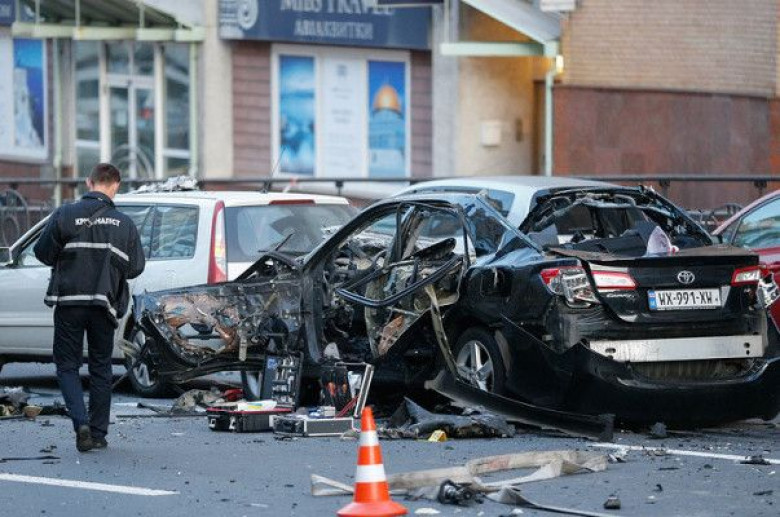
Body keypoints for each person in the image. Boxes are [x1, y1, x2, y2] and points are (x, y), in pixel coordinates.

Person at [34, 163, 145, 452]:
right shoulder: (124, 223)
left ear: (88, 182)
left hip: (69, 303)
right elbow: (136, 267)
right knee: (101, 367)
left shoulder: (65, 214)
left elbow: (42, 253)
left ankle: (80, 423)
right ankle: (98, 433)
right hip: (104, 304)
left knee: (67, 365)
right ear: (116, 185)